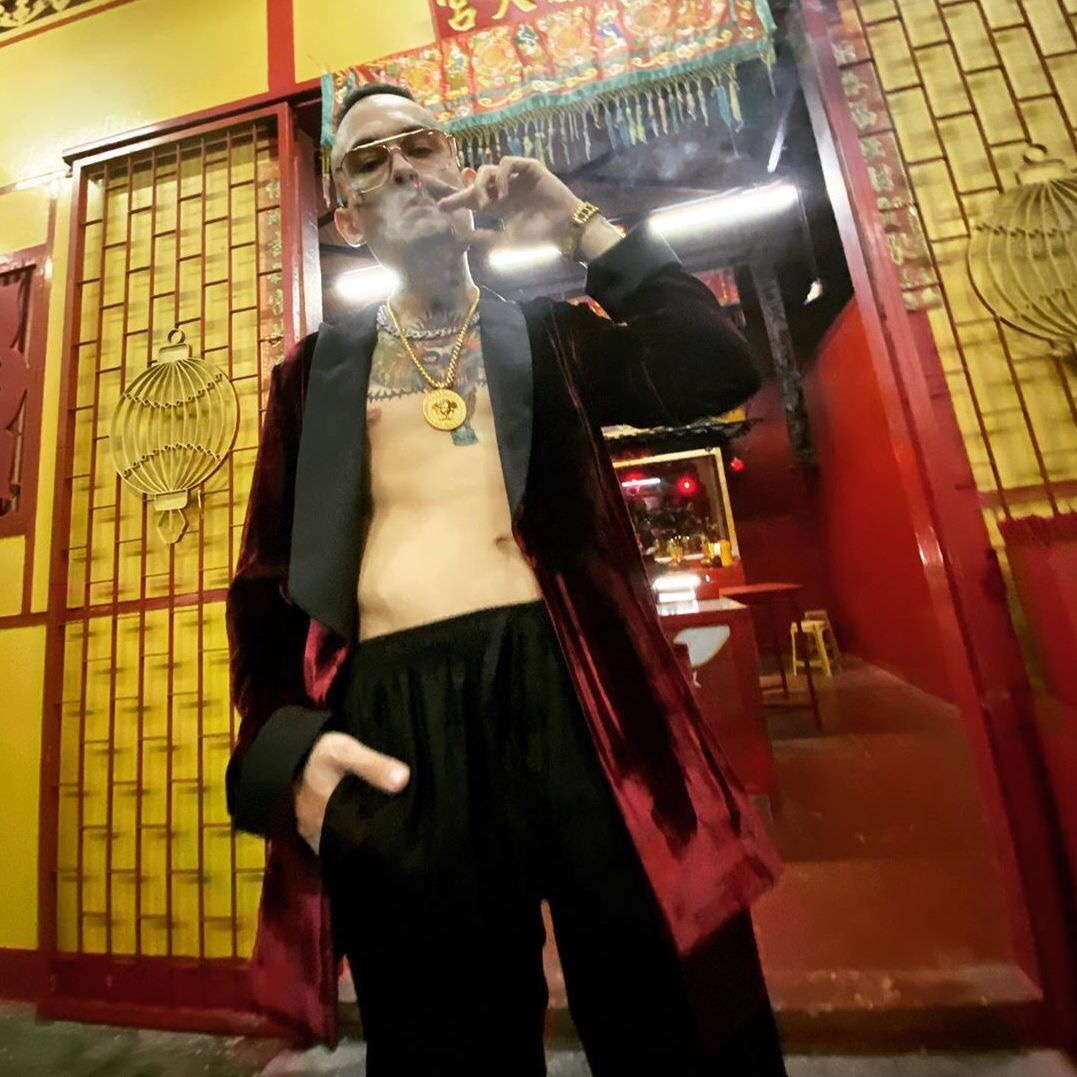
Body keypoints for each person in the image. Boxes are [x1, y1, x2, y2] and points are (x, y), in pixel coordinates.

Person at [225, 81, 787, 1076]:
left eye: (421, 144)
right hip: (400, 724)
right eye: (369, 161)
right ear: (347, 220)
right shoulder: (314, 376)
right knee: (445, 1042)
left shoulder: (549, 336)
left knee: (674, 1008)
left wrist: (577, 223)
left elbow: (714, 364)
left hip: (586, 697)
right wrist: (286, 752)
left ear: (459, 170)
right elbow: (268, 587)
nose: (404, 168)